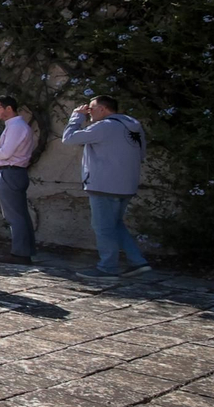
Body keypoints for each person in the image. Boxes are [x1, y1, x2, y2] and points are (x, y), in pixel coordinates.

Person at [62, 95, 150, 280]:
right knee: (116, 224)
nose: (89, 112)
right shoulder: (133, 126)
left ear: (102, 109)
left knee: (103, 227)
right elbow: (141, 154)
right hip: (126, 185)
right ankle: (138, 261)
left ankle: (107, 267)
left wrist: (77, 116)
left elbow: (68, 138)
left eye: (91, 108)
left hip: (103, 184)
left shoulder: (104, 126)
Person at [0, 95, 37, 265]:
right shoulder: (14, 126)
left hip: (10, 172)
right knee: (19, 214)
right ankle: (25, 251)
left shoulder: (16, 126)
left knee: (14, 215)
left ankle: (20, 253)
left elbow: (6, 153)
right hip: (13, 172)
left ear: (8, 108)